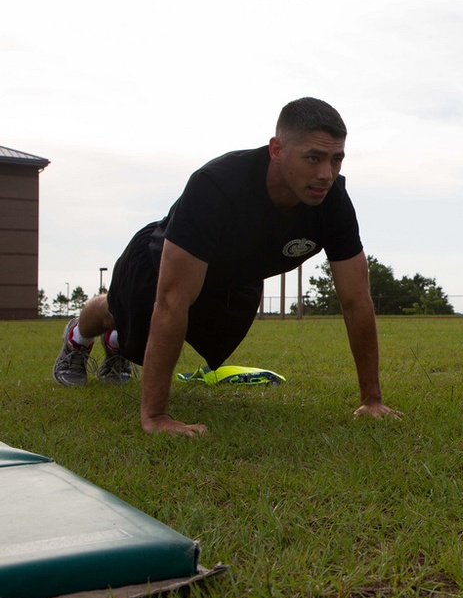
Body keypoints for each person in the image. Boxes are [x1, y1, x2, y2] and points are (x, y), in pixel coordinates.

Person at [52, 97, 400, 436]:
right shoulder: (216, 185)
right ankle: (79, 338)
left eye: (336, 159)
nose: (326, 174)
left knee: (169, 336)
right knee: (118, 312)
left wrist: (372, 399)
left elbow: (356, 301)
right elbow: (172, 301)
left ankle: (118, 344)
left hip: (231, 280)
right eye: (313, 158)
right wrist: (156, 416)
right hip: (158, 263)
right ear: (277, 150)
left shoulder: (333, 201)